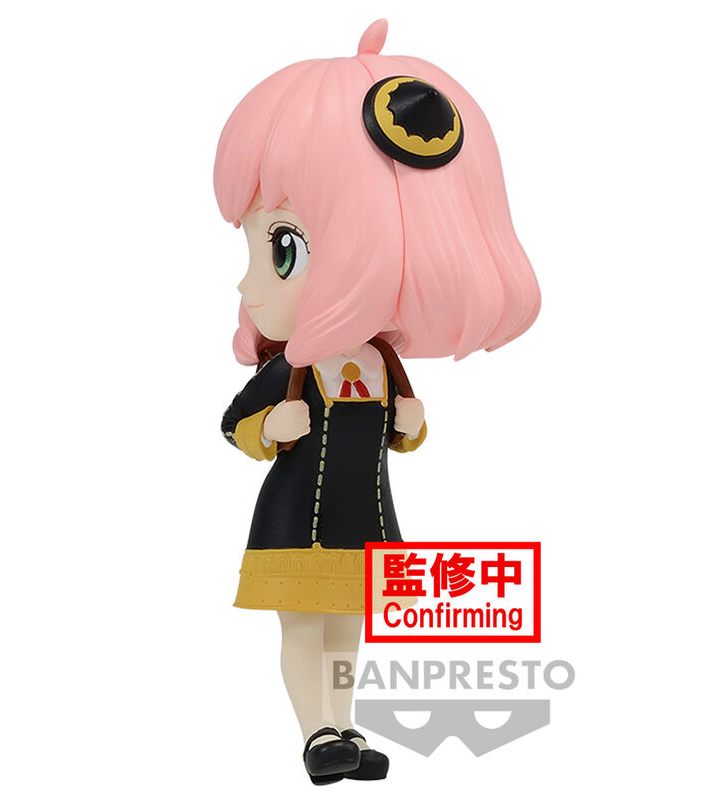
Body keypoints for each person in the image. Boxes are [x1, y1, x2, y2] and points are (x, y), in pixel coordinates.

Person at [213, 18, 540, 784]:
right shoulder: (293, 365)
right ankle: (316, 733)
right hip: (297, 526)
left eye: (282, 248)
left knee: (347, 633)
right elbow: (234, 423)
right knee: (305, 630)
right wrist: (270, 425)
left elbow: (398, 433)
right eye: (260, 246)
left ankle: (344, 726)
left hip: (367, 522)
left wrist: (412, 426)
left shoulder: (383, 362)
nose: (247, 282)